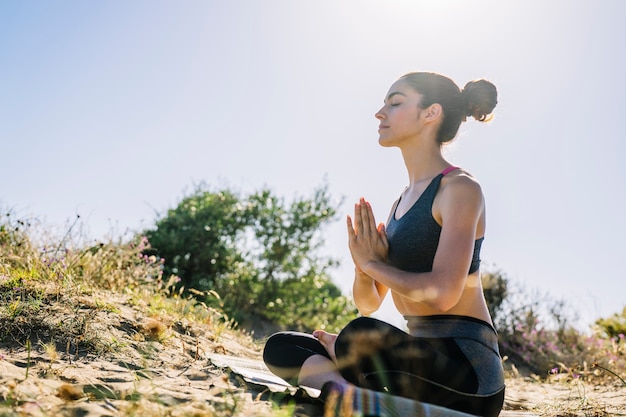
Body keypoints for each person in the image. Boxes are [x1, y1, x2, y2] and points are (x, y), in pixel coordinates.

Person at [263, 72, 505, 417]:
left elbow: (443, 292)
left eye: (395, 103)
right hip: (411, 362)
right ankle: (349, 393)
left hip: (469, 376)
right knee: (282, 347)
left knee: (358, 336)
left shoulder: (460, 189)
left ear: (430, 113)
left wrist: (374, 266)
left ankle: (350, 389)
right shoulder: (401, 203)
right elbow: (368, 302)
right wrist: (364, 268)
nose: (380, 112)